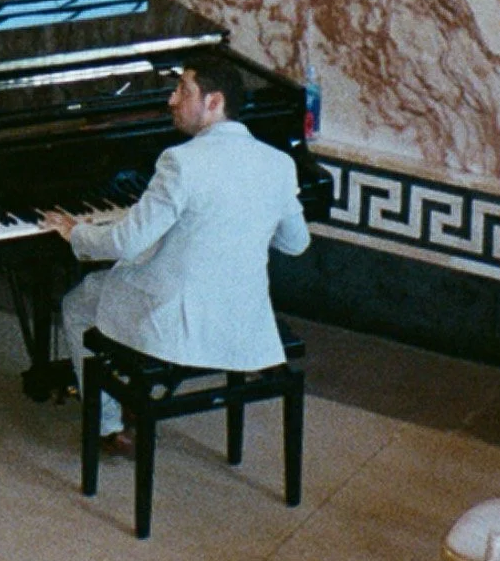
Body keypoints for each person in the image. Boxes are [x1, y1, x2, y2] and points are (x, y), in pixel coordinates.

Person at [42, 54, 310, 442]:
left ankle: (107, 423)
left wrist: (75, 233)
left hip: (179, 322)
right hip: (241, 319)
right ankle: (119, 397)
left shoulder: (181, 162)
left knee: (76, 305)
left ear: (213, 102)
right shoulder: (279, 164)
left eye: (183, 90)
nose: (171, 100)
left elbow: (126, 241)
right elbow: (296, 243)